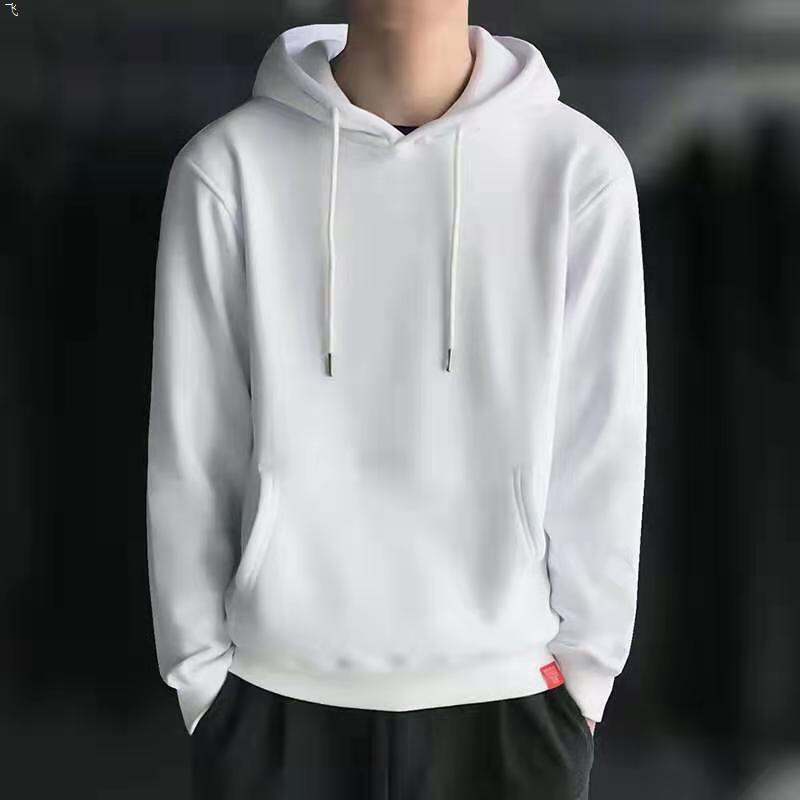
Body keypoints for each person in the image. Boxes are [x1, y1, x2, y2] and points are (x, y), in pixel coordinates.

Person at [145, 2, 647, 798]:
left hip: (510, 711)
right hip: (272, 708)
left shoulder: (577, 169)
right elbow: (194, 448)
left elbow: (601, 448)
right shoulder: (228, 168)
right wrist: (202, 682)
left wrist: (584, 684)